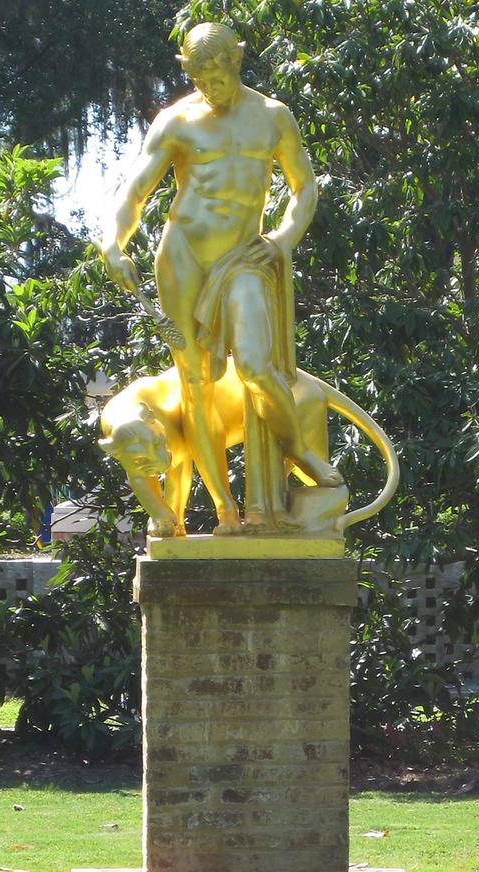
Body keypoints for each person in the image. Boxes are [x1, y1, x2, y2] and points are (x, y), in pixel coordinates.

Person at [100, 22, 342, 535]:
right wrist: (112, 243)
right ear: (188, 72)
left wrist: (281, 239)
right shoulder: (176, 121)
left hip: (244, 259)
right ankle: (225, 511)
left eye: (220, 73)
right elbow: (135, 192)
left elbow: (304, 189)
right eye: (201, 77)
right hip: (183, 255)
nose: (212, 86)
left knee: (255, 366)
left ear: (238, 60)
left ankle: (296, 448)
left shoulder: (273, 116)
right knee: (196, 385)